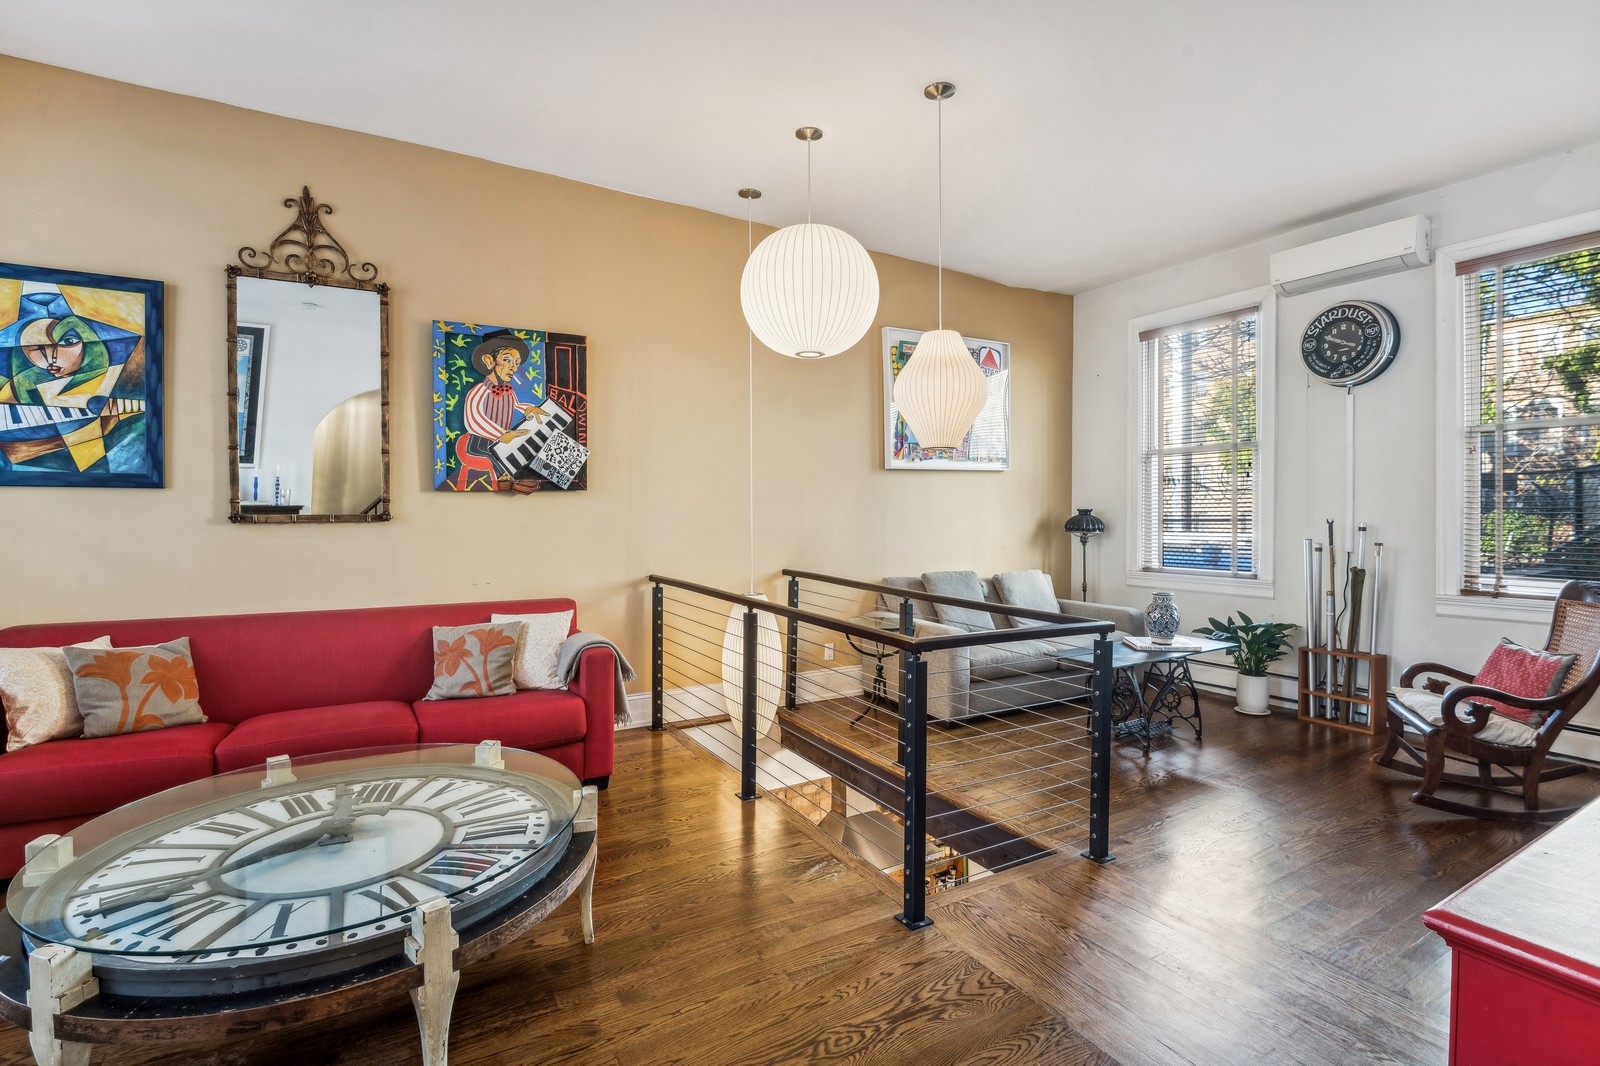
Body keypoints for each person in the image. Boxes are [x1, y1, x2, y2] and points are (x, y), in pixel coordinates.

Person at [454, 330, 543, 490]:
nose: (512, 367)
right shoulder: (479, 390)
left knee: (524, 447)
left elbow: (516, 404)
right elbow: (473, 420)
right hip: (478, 443)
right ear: (489, 361)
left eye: (516, 363)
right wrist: (500, 435)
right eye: (507, 360)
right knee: (498, 455)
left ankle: (532, 476)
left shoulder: (508, 391)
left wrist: (529, 409)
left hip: (501, 439)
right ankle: (506, 483)